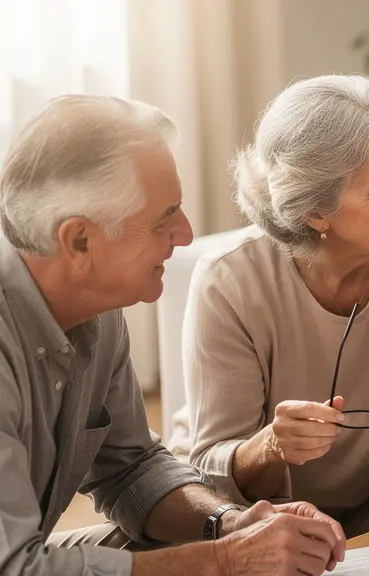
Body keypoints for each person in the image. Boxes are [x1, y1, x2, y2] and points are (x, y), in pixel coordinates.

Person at [0, 95, 346, 575]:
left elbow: (131, 468)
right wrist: (227, 560)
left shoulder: (98, 311)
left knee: (172, 543)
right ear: (78, 240)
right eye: (165, 216)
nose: (185, 234)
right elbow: (16, 568)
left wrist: (230, 525)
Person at [169, 74, 369, 537]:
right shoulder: (230, 279)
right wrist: (271, 446)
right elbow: (215, 466)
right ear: (315, 211)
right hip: (255, 508)